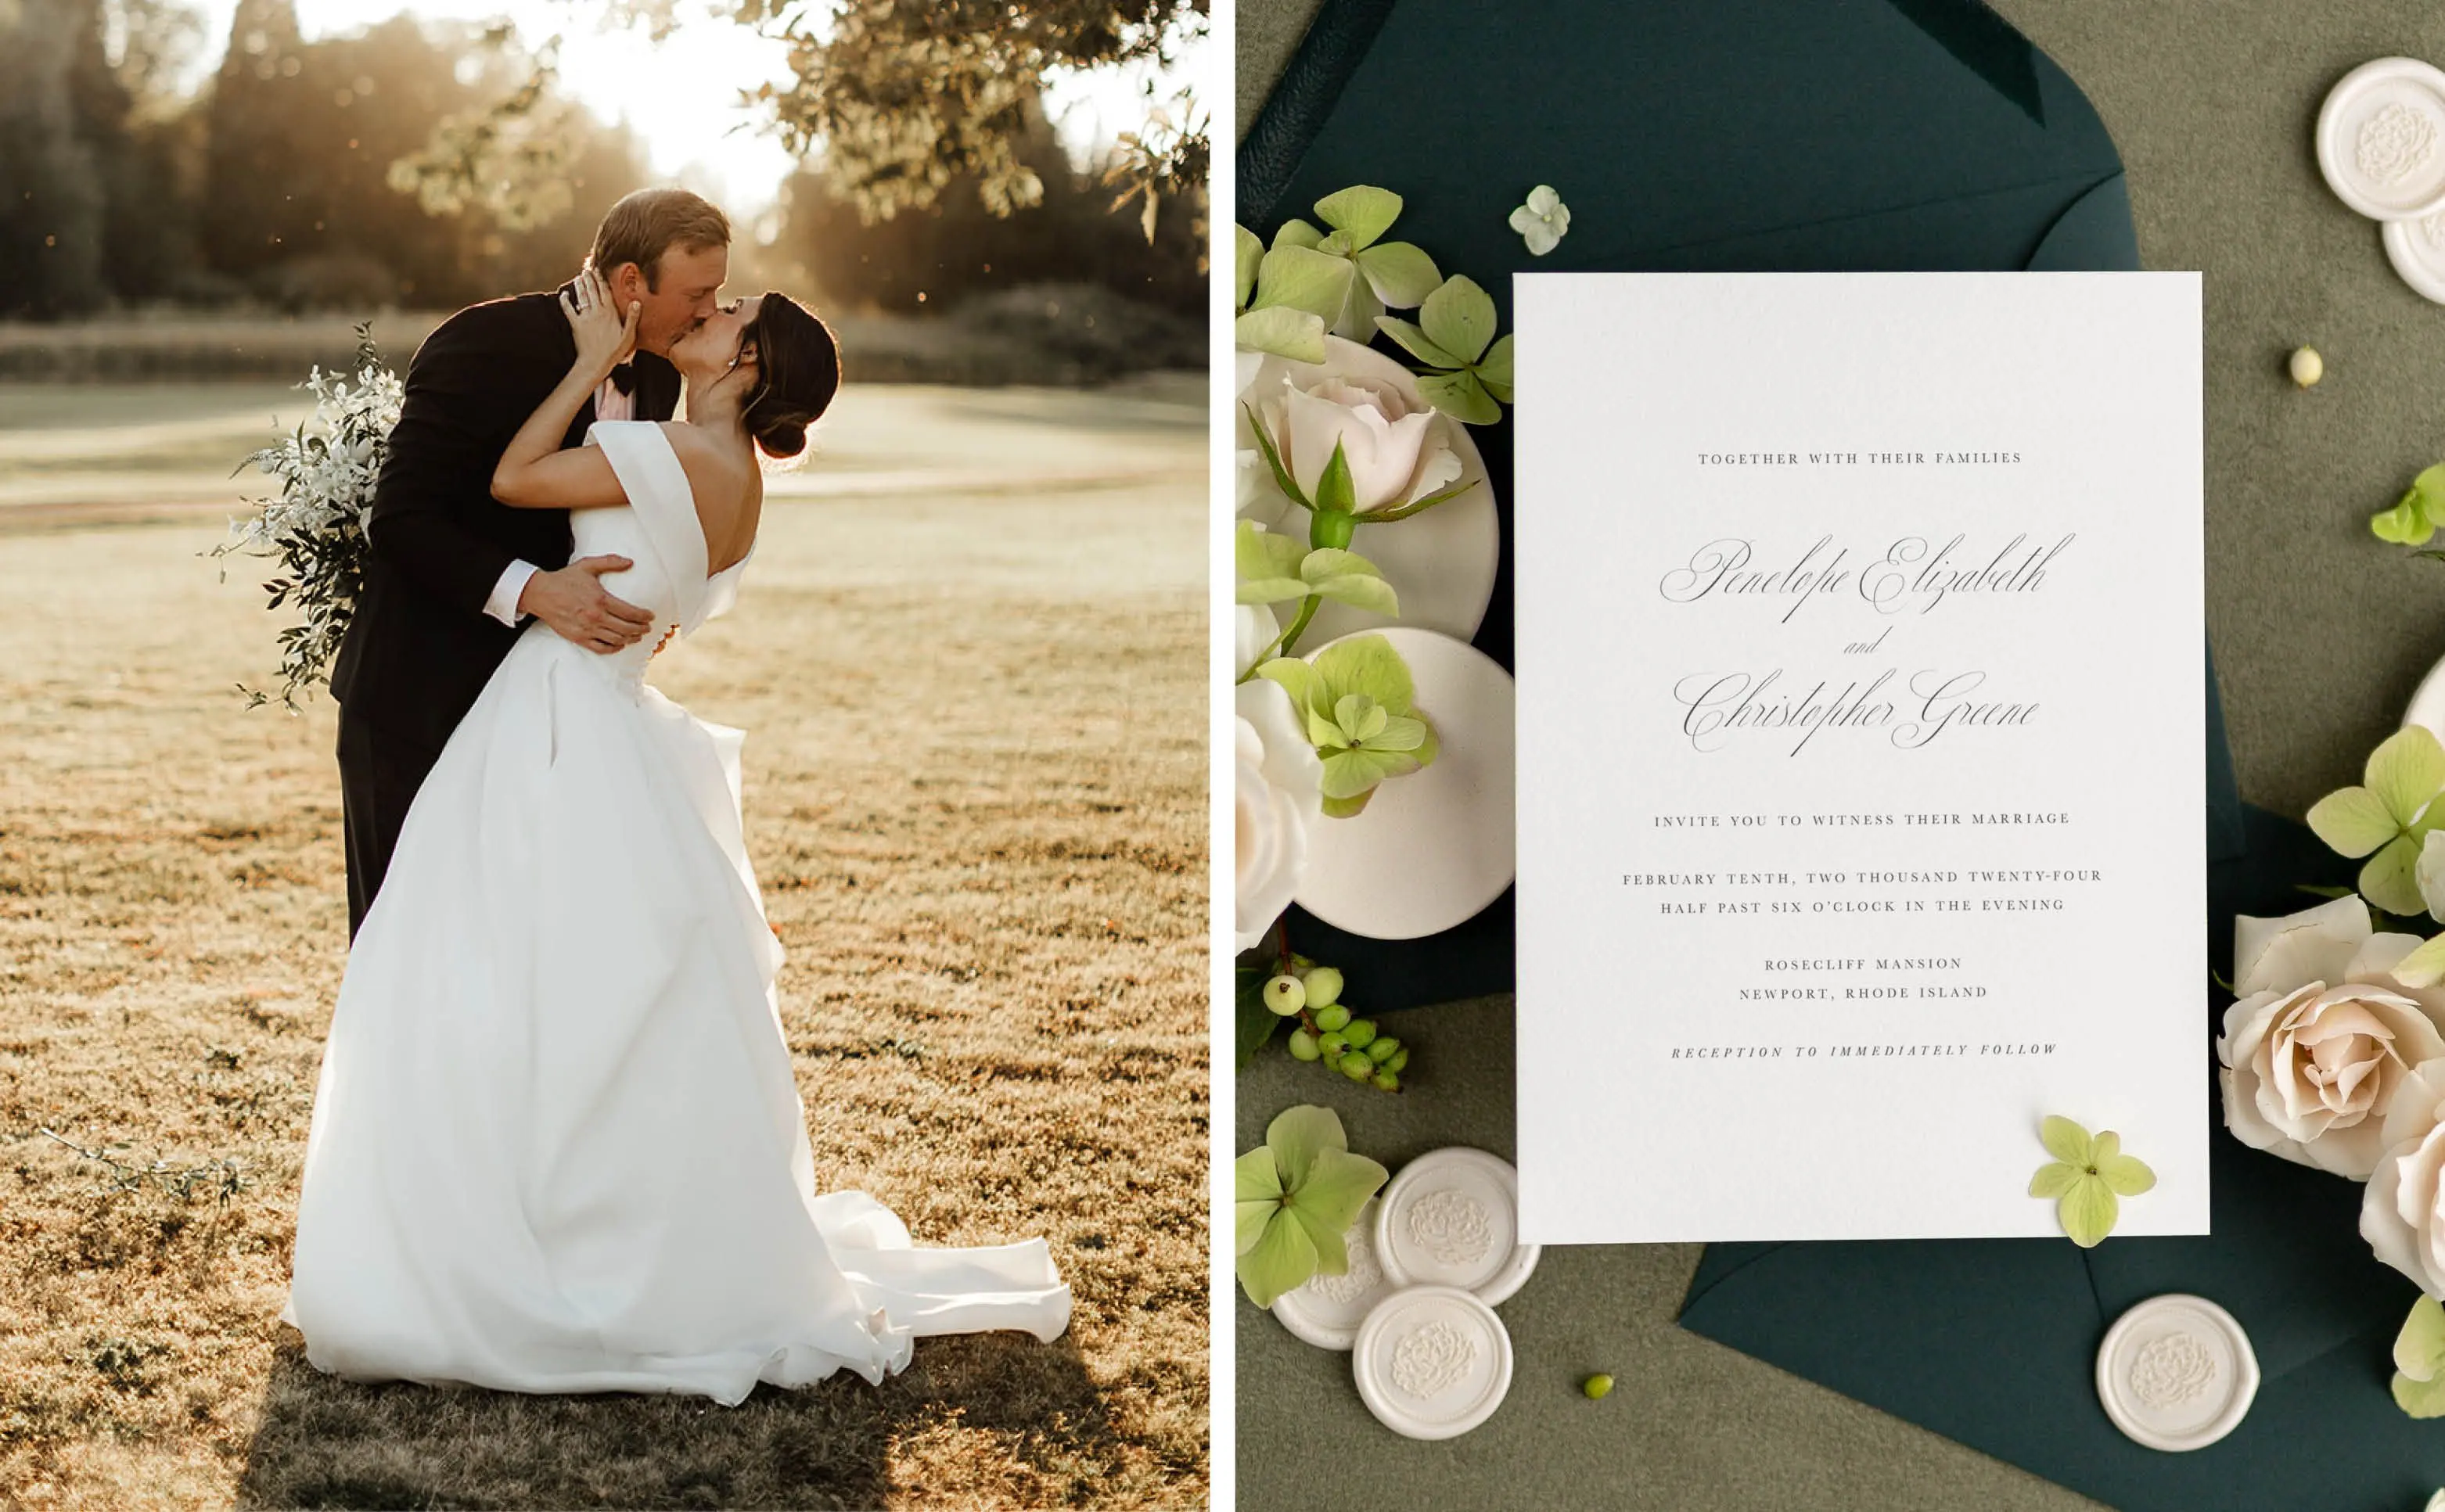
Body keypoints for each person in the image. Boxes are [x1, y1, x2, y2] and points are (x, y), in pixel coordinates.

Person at [280, 271, 1072, 1402]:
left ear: (746, 366)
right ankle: (582, 1223)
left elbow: (511, 477)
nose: (713, 313)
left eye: (731, 318)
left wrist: (581, 367)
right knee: (597, 989)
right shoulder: (733, 477)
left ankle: (509, 1236)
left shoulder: (666, 453)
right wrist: (618, 409)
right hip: (607, 721)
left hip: (549, 718)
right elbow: (658, 583)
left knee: (494, 967)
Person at [329, 187, 731, 936]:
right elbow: (402, 519)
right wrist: (536, 591)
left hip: (543, 713)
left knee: (513, 956)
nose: (709, 311)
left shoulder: (660, 379)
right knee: (404, 948)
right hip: (420, 698)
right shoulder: (485, 341)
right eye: (698, 293)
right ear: (631, 284)